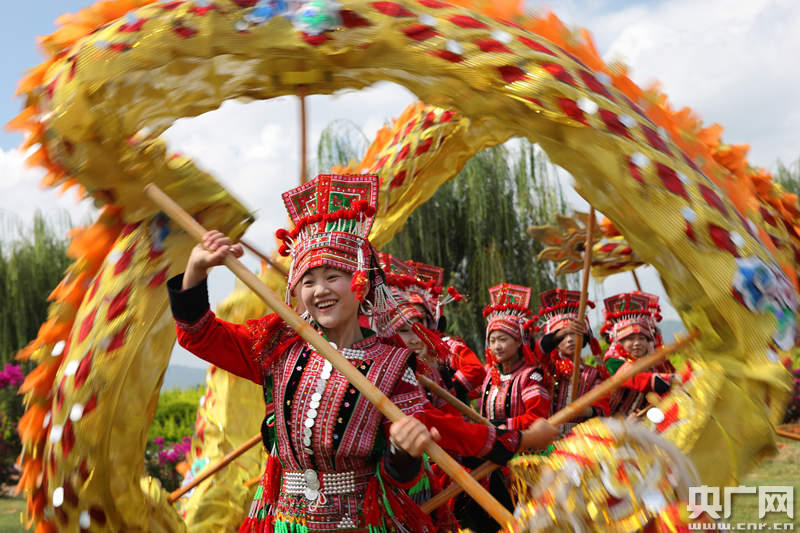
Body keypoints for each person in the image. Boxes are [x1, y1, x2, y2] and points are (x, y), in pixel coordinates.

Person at [167, 174, 556, 532]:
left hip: (356, 521)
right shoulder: (277, 347)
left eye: (333, 276)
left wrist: (406, 449)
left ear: (361, 284)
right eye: (308, 280)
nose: (320, 290)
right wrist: (197, 270)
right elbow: (200, 335)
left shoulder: (392, 366)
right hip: (281, 518)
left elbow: (413, 464)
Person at [454, 283, 551, 532]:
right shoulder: (489, 374)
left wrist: (501, 426)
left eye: (503, 339)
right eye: (492, 340)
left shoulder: (531, 376)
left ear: (519, 342)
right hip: (493, 453)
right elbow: (468, 401)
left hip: (524, 457)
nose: (496, 346)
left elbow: (537, 417)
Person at [379, 253, 485, 407]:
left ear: (428, 319)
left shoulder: (445, 345)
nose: (414, 336)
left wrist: (451, 389)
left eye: (419, 321)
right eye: (403, 328)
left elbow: (475, 369)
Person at [533, 288, 610, 434]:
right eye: (564, 336)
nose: (569, 340)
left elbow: (603, 406)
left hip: (579, 441)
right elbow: (538, 350)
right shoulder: (546, 366)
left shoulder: (593, 374)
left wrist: (585, 410)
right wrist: (563, 332)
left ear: (585, 338)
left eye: (575, 334)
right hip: (545, 438)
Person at [601, 292, 678, 416]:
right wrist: (672, 380)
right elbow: (637, 378)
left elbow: (669, 375)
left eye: (641, 338)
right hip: (613, 424)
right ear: (619, 341)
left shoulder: (650, 359)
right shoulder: (613, 360)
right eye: (630, 339)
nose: (637, 343)